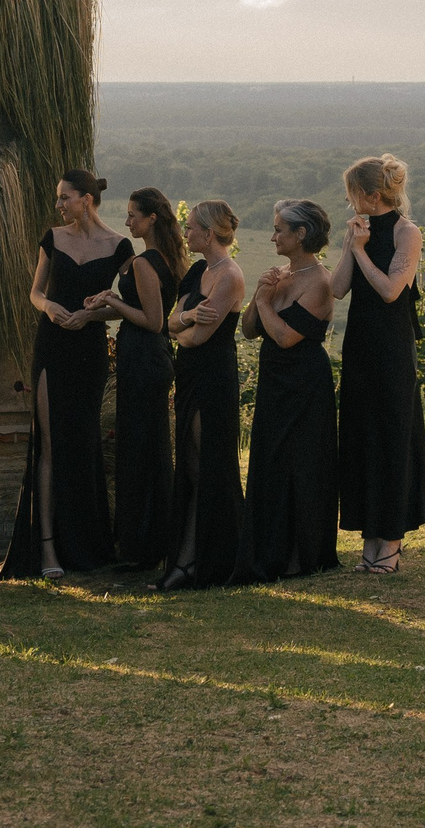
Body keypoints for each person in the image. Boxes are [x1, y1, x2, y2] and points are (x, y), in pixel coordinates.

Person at [0, 169, 125, 580]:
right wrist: (48, 307)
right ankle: (47, 546)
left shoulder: (121, 248)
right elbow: (36, 291)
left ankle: (84, 544)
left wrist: (94, 313)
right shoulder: (52, 238)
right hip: (51, 347)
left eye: (64, 198)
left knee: (82, 442)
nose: (59, 205)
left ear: (86, 199)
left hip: (89, 351)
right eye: (59, 199)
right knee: (49, 443)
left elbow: (126, 305)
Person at [332, 154, 425, 574]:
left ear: (373, 196)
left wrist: (362, 252)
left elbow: (392, 290)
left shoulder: (408, 233)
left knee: (391, 437)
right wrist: (349, 249)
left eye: (352, 194)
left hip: (392, 349)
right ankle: (369, 538)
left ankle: (390, 541)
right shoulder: (359, 231)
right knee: (361, 436)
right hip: (360, 345)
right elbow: (336, 289)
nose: (349, 202)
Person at [152, 198, 250, 590]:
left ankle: (207, 560)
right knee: (190, 466)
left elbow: (195, 338)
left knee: (207, 465)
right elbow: (172, 322)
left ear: (209, 233)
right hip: (189, 376)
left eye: (191, 227)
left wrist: (184, 327)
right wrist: (189, 317)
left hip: (213, 378)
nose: (185, 232)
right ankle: (189, 558)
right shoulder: (197, 271)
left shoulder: (230, 276)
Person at [83, 186, 180, 572]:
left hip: (143, 357)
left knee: (140, 449)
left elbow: (153, 322)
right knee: (149, 446)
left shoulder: (144, 263)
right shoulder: (169, 258)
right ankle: (148, 540)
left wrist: (112, 301)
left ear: (151, 218)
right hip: (148, 359)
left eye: (132, 215)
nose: (127, 222)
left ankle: (141, 544)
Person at [243, 199, 340, 580]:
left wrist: (266, 302)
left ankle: (304, 553)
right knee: (270, 460)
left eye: (279, 229)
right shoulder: (280, 274)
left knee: (302, 464)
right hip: (274, 381)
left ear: (301, 235)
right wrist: (258, 294)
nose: (272, 237)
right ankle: (269, 546)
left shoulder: (320, 282)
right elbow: (250, 330)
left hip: (304, 383)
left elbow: (285, 337)